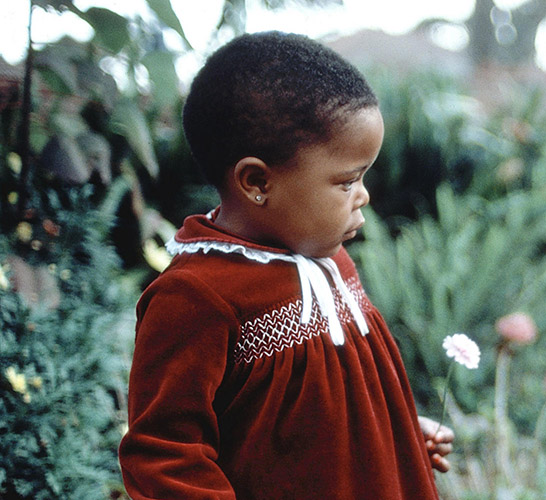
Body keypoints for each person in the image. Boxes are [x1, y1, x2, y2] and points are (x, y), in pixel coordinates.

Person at [119, 31, 452, 499]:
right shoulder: (196, 297)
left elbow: (327, 406)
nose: (364, 195)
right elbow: (165, 455)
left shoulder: (331, 260)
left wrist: (392, 437)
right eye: (346, 181)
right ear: (256, 182)